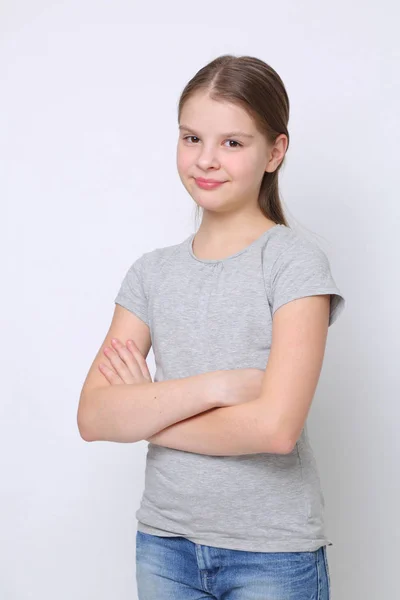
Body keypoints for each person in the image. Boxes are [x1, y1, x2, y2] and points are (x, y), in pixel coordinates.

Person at [78, 54, 345, 599]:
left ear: (275, 152)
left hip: (272, 555)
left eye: (232, 143)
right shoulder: (151, 273)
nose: (206, 160)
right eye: (191, 138)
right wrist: (217, 387)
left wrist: (147, 414)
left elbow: (275, 430)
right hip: (164, 545)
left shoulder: (293, 263)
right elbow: (94, 415)